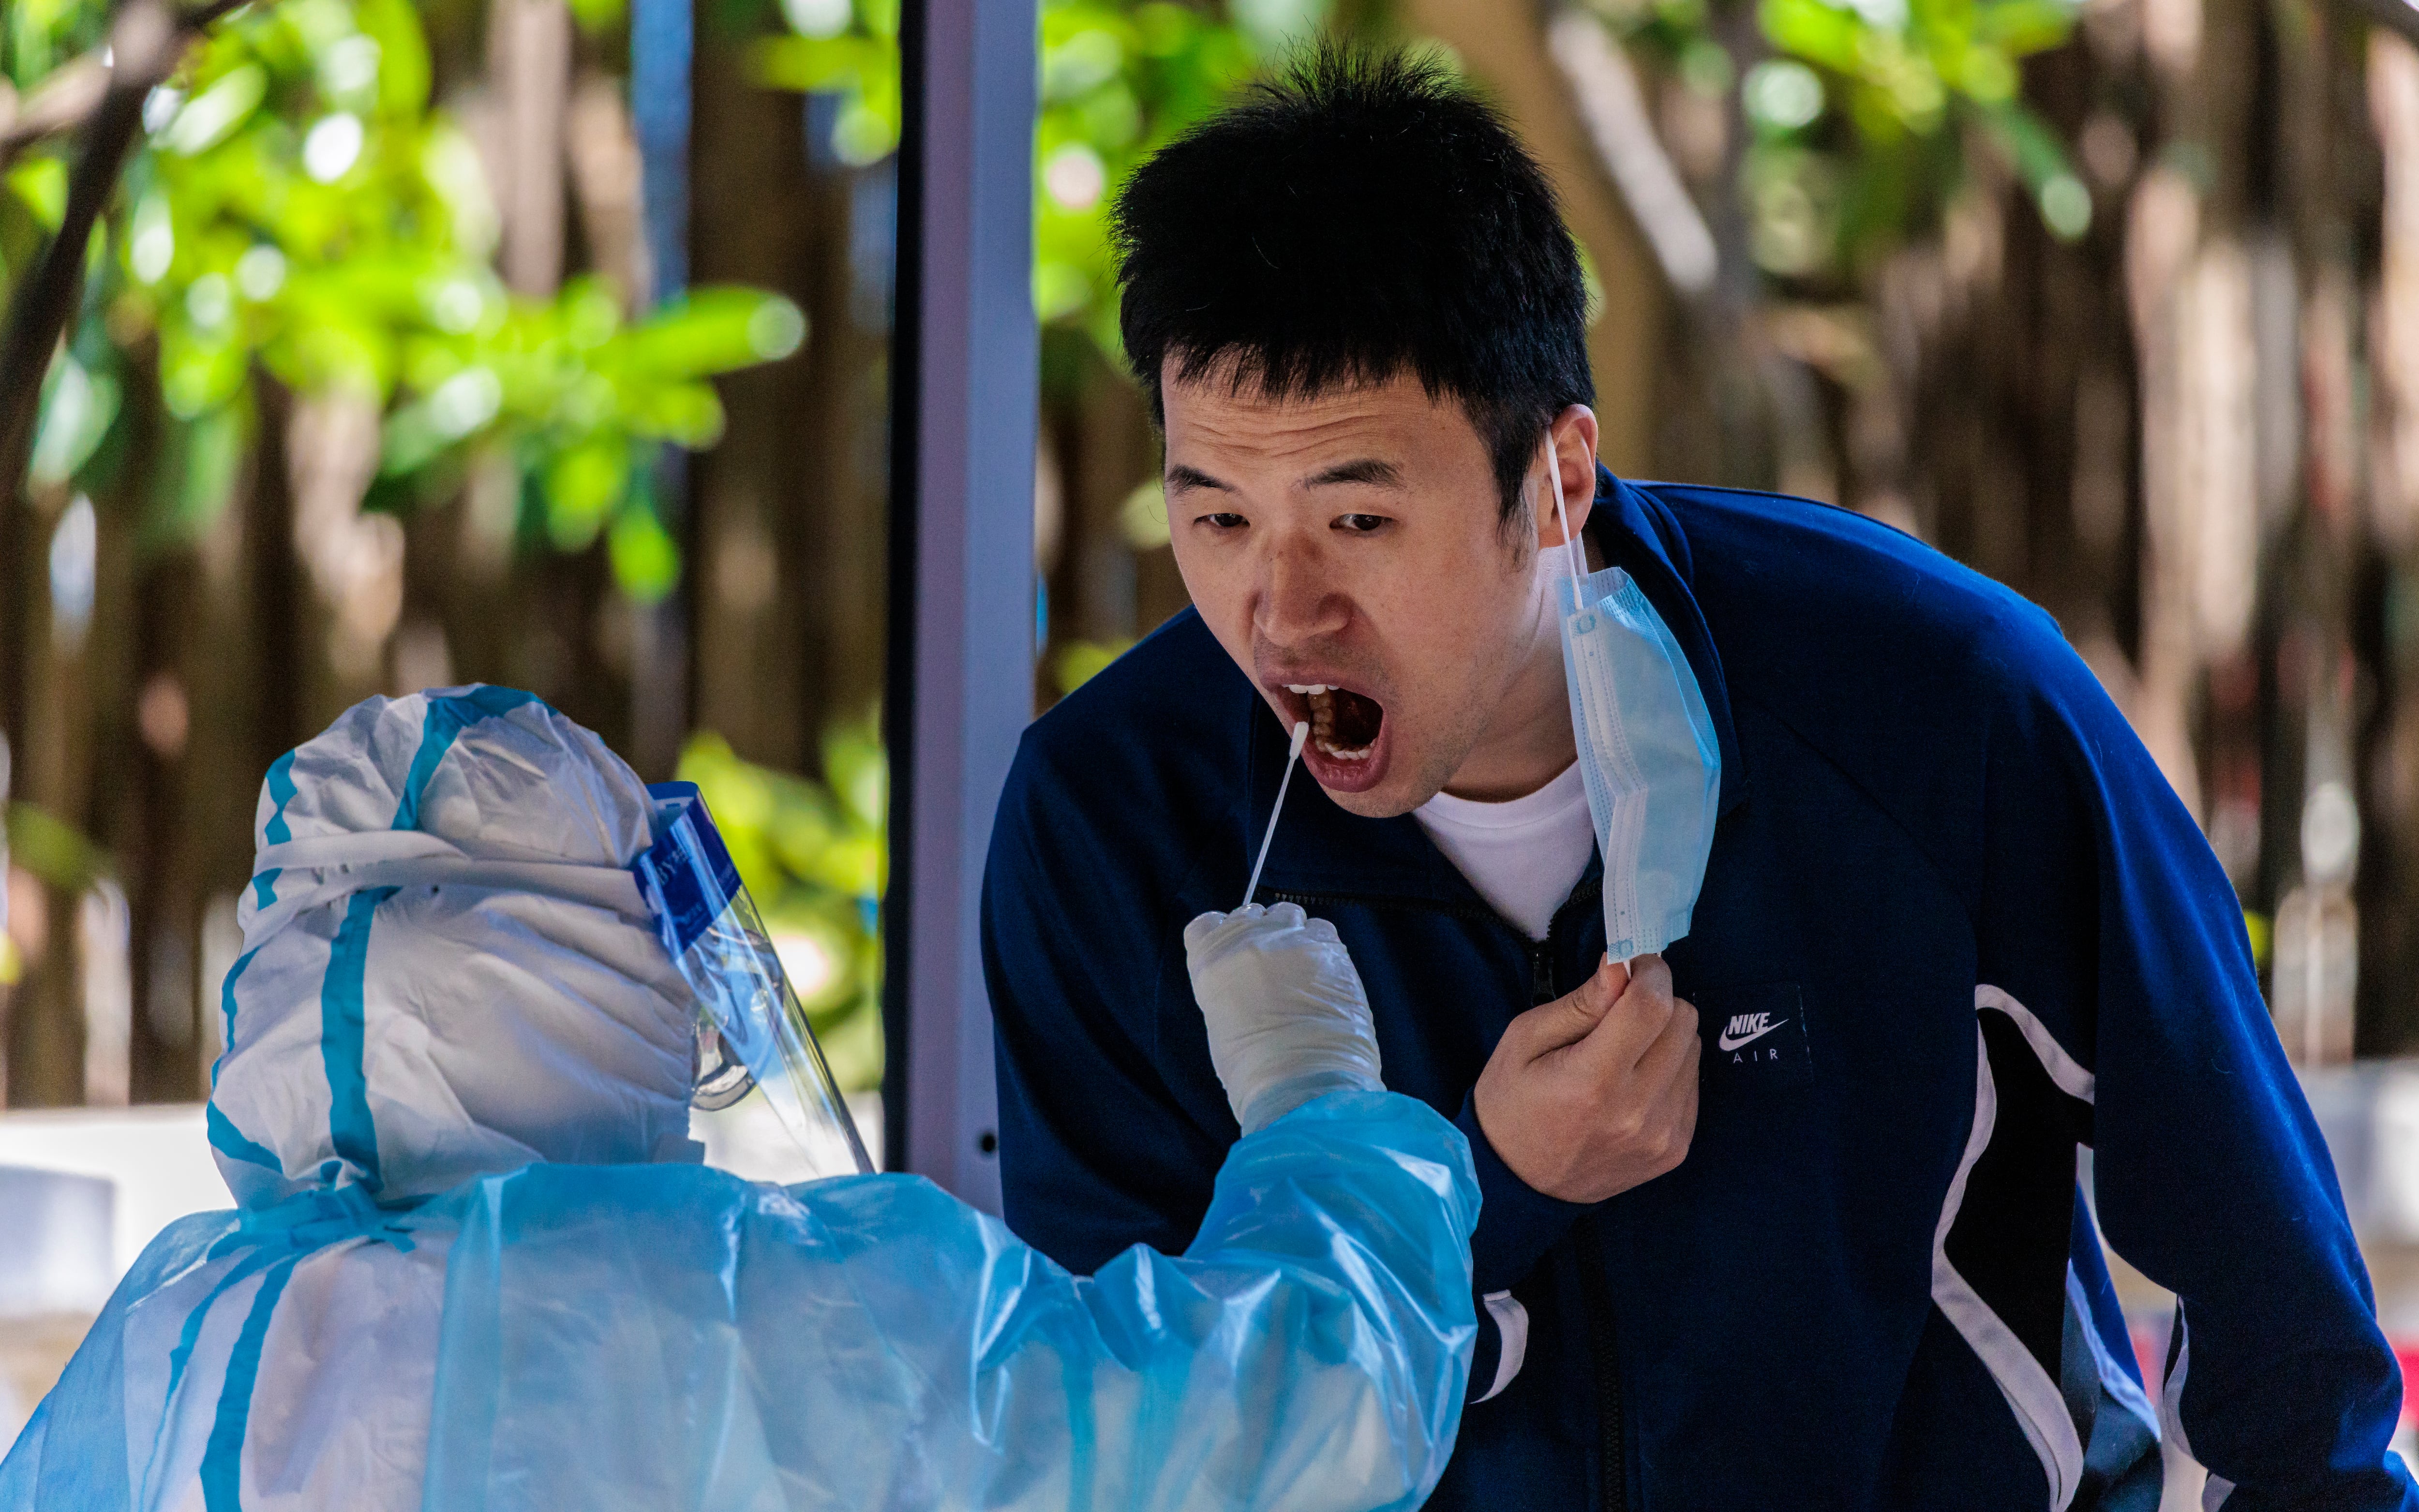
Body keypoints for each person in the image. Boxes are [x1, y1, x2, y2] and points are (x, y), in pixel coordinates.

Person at [982, 46, 2419, 1512]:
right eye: (1215, 518)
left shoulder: (1936, 705)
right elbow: (1128, 1432)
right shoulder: (1110, 825)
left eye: (1356, 518)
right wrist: (1484, 1190)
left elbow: (2287, 1321)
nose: (1282, 613)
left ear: (1559, 479)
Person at [0, 686, 1479, 1512]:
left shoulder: (161, 1348)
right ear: (614, 984)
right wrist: (1321, 1118)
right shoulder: (751, 1311)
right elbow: (1298, 1430)